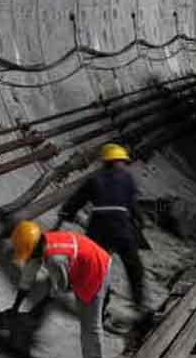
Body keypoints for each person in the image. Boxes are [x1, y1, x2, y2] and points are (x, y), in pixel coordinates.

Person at [58, 143, 149, 334]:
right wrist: (140, 222)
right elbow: (132, 205)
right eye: (123, 162)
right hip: (121, 226)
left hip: (98, 226)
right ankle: (140, 307)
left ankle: (93, 305)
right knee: (134, 267)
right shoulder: (127, 178)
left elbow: (77, 199)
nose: (124, 166)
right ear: (119, 162)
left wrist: (66, 213)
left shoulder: (95, 178)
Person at [8, 220, 111, 358]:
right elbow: (28, 276)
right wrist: (15, 306)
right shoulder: (40, 242)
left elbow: (61, 288)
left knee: (90, 324)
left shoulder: (55, 259)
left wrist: (40, 306)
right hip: (80, 259)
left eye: (28, 254)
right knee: (47, 294)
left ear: (34, 247)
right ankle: (31, 328)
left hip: (96, 267)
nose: (28, 257)